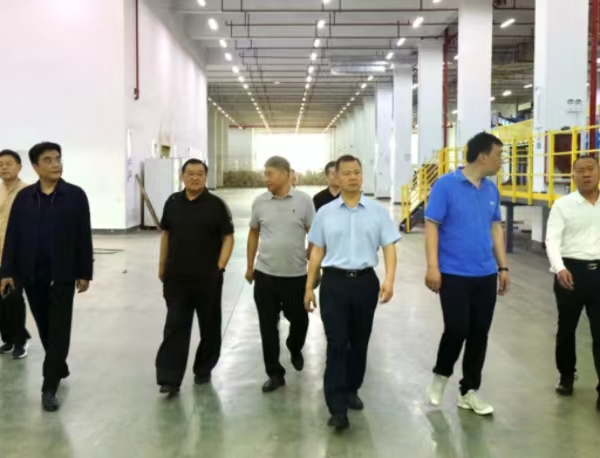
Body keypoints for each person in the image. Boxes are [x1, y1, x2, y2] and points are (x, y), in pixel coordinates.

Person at [305, 154, 400, 431]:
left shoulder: (377, 211)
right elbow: (317, 251)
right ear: (336, 176)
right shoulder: (325, 213)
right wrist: (309, 286)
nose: (352, 177)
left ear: (362, 175)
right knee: (337, 343)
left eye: (357, 172)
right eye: (346, 173)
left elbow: (389, 246)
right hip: (334, 283)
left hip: (365, 283)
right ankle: (337, 407)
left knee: (359, 342)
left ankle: (351, 389)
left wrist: (389, 279)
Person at [0, 142, 93, 412]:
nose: (55, 164)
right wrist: (7, 271)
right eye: (48, 160)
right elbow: (13, 236)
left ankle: (48, 387)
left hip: (62, 274)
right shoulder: (25, 197)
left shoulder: (75, 195)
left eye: (58, 158)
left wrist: (84, 271)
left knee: (59, 329)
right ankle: (58, 365)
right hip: (31, 274)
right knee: (45, 326)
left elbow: (83, 235)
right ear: (35, 166)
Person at [424, 132, 509, 416]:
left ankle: (468, 391)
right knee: (457, 328)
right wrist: (432, 266)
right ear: (482, 156)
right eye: (498, 155)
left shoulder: (491, 190)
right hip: (453, 273)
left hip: (485, 274)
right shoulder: (445, 185)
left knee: (479, 333)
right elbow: (432, 225)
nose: (501, 161)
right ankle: (441, 375)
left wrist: (503, 266)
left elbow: (495, 228)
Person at [156, 159, 234, 395]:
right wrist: (162, 266)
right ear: (182, 176)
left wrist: (220, 267)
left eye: (200, 174)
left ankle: (203, 368)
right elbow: (166, 235)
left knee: (209, 327)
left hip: (207, 279)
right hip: (176, 278)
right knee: (175, 326)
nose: (195, 177)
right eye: (190, 173)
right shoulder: (172, 202)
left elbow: (228, 237)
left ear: (205, 177)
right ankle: (169, 379)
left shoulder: (216, 205)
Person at [246, 156, 314, 393]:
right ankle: (274, 373)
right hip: (265, 275)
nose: (266, 179)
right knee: (268, 326)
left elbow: (314, 234)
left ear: (285, 173)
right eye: (264, 174)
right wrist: (249, 266)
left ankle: (294, 346)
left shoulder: (304, 201)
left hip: (296, 275)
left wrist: (312, 258)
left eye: (270, 174)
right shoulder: (260, 202)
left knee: (300, 320)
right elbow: (253, 233)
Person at [545, 155, 600, 409]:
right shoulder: (563, 205)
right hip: (570, 272)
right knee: (566, 329)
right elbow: (552, 240)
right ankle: (566, 376)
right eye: (580, 170)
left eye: (591, 169)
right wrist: (560, 268)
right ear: (573, 176)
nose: (586, 174)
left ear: (598, 172)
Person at [0, 149, 31, 359]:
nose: (4, 167)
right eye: (0, 164)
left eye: (8, 163)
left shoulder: (28, 192)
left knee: (13, 298)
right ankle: (8, 339)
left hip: (17, 255)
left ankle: (21, 340)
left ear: (19, 167)